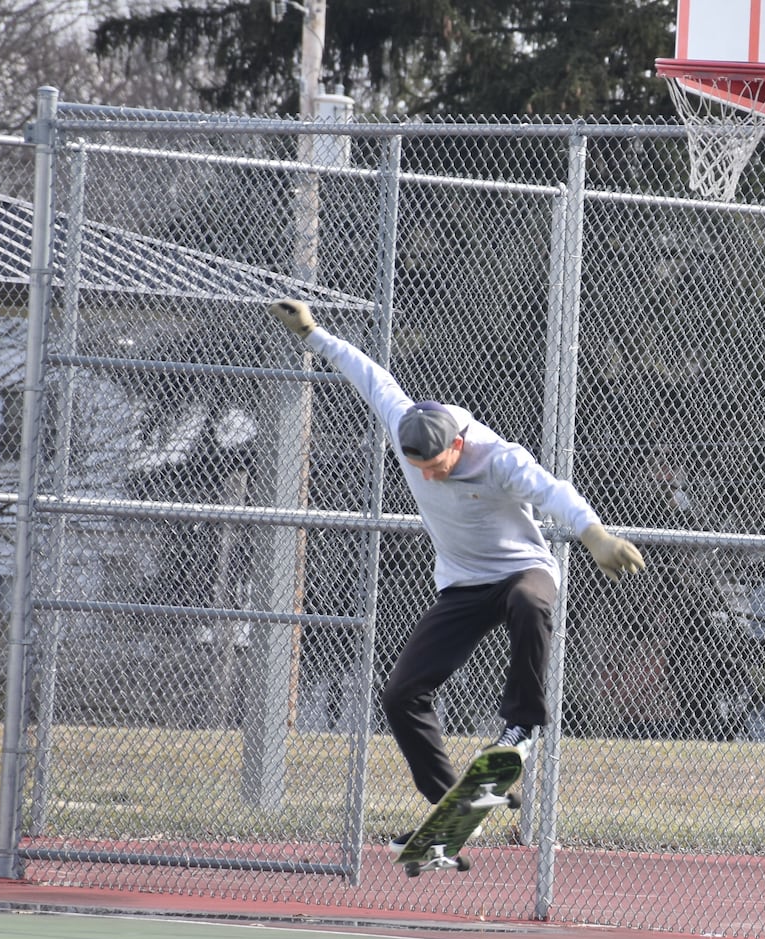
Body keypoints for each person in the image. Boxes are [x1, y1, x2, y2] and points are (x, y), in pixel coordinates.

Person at [267, 299, 645, 849]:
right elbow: (369, 374)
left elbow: (552, 491)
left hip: (521, 569)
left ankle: (520, 728)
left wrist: (595, 536)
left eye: (437, 465)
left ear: (458, 446)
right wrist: (313, 334)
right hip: (462, 585)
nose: (427, 474)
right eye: (417, 464)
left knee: (531, 604)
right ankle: (455, 814)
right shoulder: (405, 426)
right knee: (401, 694)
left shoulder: (497, 457)